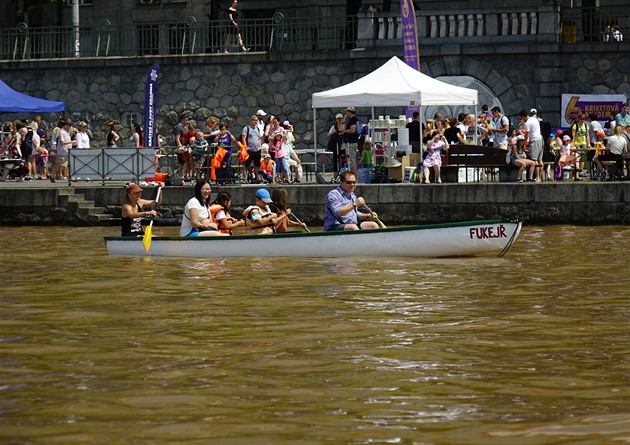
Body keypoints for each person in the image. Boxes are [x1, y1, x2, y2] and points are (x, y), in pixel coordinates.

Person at [522, 109, 544, 182]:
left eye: (521, 118)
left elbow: (527, 136)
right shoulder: (535, 119)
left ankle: (536, 177)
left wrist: (525, 144)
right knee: (540, 160)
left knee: (534, 160)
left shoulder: (527, 123)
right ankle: (540, 177)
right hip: (540, 139)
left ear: (523, 117)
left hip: (535, 141)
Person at [339, 106, 360, 174]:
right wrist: (344, 121)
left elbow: (353, 130)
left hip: (352, 142)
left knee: (352, 160)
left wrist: (344, 131)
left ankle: (354, 175)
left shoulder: (353, 120)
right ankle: (352, 174)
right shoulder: (350, 120)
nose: (346, 114)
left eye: (347, 112)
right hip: (350, 142)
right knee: (350, 159)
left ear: (349, 112)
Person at [242, 115, 262, 182]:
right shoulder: (246, 128)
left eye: (256, 120)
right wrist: (245, 147)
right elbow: (243, 138)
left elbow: (259, 138)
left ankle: (257, 177)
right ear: (251, 120)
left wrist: (260, 146)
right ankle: (245, 178)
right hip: (249, 149)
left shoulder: (257, 128)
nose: (255, 122)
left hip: (257, 150)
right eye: (254, 120)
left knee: (257, 165)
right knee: (247, 165)